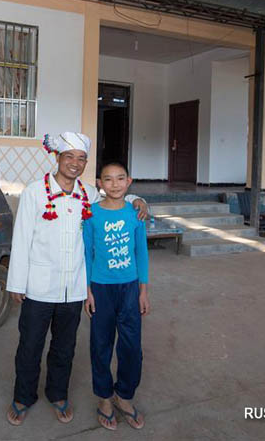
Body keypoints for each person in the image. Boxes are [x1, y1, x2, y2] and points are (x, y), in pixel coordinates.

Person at [5, 132, 148, 426]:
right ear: (57, 158)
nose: (74, 163)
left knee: (64, 346)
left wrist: (138, 199)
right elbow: (20, 240)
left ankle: (58, 394)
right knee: (30, 345)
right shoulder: (34, 192)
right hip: (39, 286)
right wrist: (17, 283)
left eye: (81, 158)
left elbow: (116, 195)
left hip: (73, 289)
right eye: (68, 157)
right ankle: (23, 397)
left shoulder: (87, 193)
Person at [83, 162, 150, 431]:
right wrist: (87, 291)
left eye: (120, 178)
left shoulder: (136, 214)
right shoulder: (91, 214)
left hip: (130, 288)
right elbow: (87, 253)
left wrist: (143, 291)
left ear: (129, 181)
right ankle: (104, 399)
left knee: (131, 345)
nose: (114, 184)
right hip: (100, 288)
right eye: (108, 179)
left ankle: (123, 395)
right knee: (101, 344)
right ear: (99, 183)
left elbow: (141, 253)